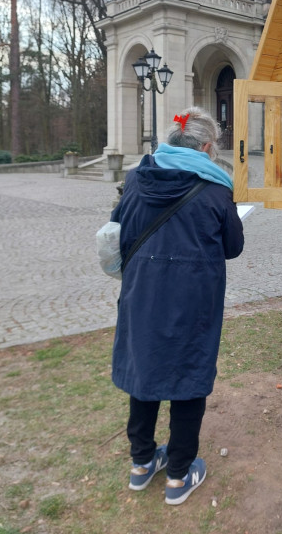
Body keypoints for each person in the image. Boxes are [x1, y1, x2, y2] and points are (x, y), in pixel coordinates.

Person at [110, 106, 244, 506]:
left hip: (142, 294)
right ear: (206, 147)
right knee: (189, 374)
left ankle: (141, 463)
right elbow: (233, 247)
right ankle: (179, 474)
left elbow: (118, 232)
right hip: (193, 298)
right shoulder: (217, 189)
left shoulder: (135, 179)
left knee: (145, 369)